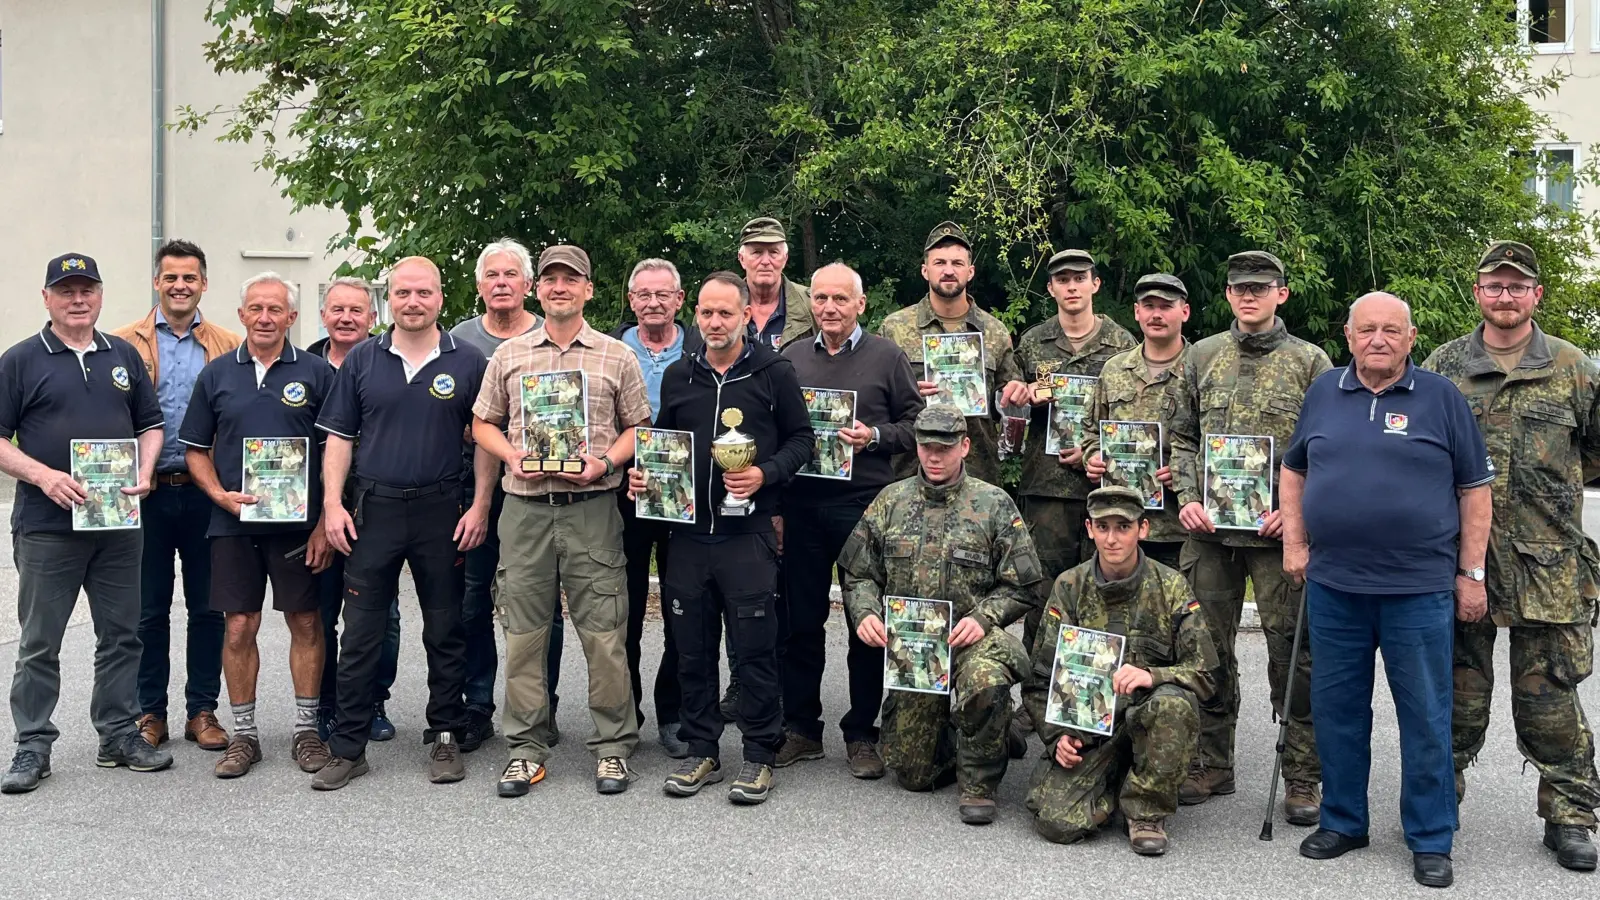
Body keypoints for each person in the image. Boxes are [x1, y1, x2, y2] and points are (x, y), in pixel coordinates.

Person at [1280, 292, 1493, 888]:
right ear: (1348, 336)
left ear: (1411, 336)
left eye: (1391, 330)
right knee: (1337, 710)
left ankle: (1430, 836)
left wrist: (1470, 574)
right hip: (1335, 586)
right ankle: (1344, 820)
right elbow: (1294, 470)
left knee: (1425, 714)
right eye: (1367, 329)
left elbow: (1475, 490)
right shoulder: (1324, 391)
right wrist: (1295, 545)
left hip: (1417, 589)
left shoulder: (1441, 398)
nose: (1379, 339)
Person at [1423, 240, 1600, 873]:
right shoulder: (1444, 367)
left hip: (1549, 568)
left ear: (1536, 295)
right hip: (1460, 562)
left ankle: (1572, 815)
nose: (1505, 296)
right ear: (1478, 293)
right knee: (1454, 696)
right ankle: (1437, 805)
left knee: (1549, 700)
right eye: (1494, 286)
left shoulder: (1576, 369)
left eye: (1516, 286)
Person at [471, 244, 651, 797]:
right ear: (538, 289)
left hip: (592, 508)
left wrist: (605, 461)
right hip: (524, 509)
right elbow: (482, 424)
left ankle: (613, 745)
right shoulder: (510, 354)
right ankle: (527, 746)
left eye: (570, 280)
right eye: (549, 279)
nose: (559, 287)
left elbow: (638, 428)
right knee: (524, 634)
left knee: (604, 633)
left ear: (588, 290)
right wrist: (511, 455)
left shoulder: (616, 355)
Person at [631, 271, 813, 805]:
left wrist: (766, 474)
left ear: (743, 317)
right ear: (698, 316)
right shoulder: (679, 376)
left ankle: (759, 755)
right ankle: (702, 750)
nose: (714, 322)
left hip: (747, 533)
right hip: (686, 537)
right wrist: (646, 476)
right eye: (706, 313)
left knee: (754, 650)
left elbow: (803, 439)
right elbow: (664, 444)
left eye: (725, 314)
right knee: (690, 649)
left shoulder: (773, 372)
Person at [311, 256, 492, 790]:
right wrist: (331, 505)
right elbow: (339, 439)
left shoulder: (468, 361)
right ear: (389, 299)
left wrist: (480, 504)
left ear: (441, 297)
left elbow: (483, 437)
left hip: (442, 511)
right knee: (362, 633)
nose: (413, 302)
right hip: (374, 511)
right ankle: (348, 745)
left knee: (445, 628)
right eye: (403, 292)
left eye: (424, 292)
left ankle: (444, 735)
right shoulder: (364, 360)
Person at [1, 253, 170, 793]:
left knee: (122, 635)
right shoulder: (21, 360)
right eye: (66, 290)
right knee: (39, 641)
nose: (78, 299)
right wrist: (43, 476)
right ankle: (32, 745)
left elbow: (151, 424)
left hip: (118, 524)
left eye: (87, 290)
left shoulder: (122, 355)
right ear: (47, 297)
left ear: (99, 295)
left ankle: (118, 734)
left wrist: (145, 469)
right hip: (48, 525)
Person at [1172, 251, 1330, 825]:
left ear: (1281, 294)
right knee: (1206, 651)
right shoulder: (1203, 355)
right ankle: (1212, 762)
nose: (1249, 296)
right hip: (1212, 536)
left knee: (1294, 656)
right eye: (1239, 287)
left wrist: (1300, 515)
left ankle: (1304, 776)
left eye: (1261, 288)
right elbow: (1183, 436)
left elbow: (1325, 450)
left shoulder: (1310, 362)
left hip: (1277, 537)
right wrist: (1188, 496)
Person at [838, 405, 1042, 825]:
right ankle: (990, 732)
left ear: (964, 447)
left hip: (971, 638)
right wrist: (864, 613)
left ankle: (979, 782)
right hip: (916, 647)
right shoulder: (890, 501)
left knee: (985, 683)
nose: (934, 457)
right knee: (913, 773)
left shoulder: (993, 504)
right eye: (927, 447)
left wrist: (984, 618)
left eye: (945, 449)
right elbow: (858, 572)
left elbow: (1024, 585)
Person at [179, 273, 341, 779]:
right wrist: (218, 495)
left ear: (292, 317)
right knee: (238, 625)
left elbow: (340, 449)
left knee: (308, 623)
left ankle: (307, 730)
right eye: (256, 309)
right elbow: (195, 450)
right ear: (242, 315)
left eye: (276, 309)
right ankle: (245, 736)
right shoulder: (217, 374)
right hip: (234, 523)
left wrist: (323, 522)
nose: (266, 317)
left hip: (299, 527)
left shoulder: (317, 373)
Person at [775, 262, 924, 778]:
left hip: (865, 508)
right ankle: (801, 728)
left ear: (861, 304)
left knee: (867, 623)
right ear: (810, 303)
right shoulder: (791, 357)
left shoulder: (886, 355)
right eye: (820, 299)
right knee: (800, 623)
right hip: (802, 507)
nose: (830, 308)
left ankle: (862, 732)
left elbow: (915, 425)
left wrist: (875, 437)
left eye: (840, 299)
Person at [1023, 486, 1216, 855]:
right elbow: (1039, 681)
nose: (1112, 538)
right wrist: (1055, 737)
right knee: (1057, 822)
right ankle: (1113, 780)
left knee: (1173, 704)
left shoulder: (1170, 585)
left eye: (1123, 527)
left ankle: (1146, 810)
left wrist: (1153, 677)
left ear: (1143, 529)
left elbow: (1205, 674)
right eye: (1103, 526)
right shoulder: (1068, 587)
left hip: (1150, 719)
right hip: (1092, 729)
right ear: (1089, 529)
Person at [113, 239, 240, 752]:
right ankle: (150, 713)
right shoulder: (122, 344)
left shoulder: (229, 345)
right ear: (157, 282)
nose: (180, 286)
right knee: (148, 610)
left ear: (204, 284)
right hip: (145, 494)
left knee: (209, 609)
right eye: (171, 277)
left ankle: (202, 711)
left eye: (190, 277)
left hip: (207, 494)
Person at [450, 239, 563, 754]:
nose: (501, 283)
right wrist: (471, 498)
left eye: (510, 275)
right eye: (491, 275)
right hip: (477, 494)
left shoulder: (552, 335)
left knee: (542, 605)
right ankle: (478, 705)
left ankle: (543, 706)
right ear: (479, 286)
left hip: (541, 490)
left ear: (527, 285)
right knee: (474, 601)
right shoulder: (457, 341)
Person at [612, 258, 705, 758]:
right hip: (620, 493)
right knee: (620, 608)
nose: (653, 303)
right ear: (631, 301)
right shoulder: (607, 348)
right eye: (643, 295)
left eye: (662, 295)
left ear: (679, 298)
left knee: (682, 606)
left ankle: (674, 712)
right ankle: (624, 713)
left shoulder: (704, 348)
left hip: (683, 495)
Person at [1002, 249, 1136, 588]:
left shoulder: (1122, 344)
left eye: (1079, 279)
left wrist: (1093, 451)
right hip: (1046, 490)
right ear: (1051, 289)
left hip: (1106, 485)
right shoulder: (1033, 343)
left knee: (1105, 587)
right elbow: (1009, 412)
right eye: (1063, 280)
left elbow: (1135, 417)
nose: (1072, 287)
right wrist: (1021, 394)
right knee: (1043, 592)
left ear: (1095, 284)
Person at [307, 278, 402, 742]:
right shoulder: (301, 367)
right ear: (322, 314)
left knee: (382, 614)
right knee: (323, 611)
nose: (346, 318)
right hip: (320, 512)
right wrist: (322, 512)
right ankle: (329, 704)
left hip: (380, 508)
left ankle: (373, 701)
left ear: (372, 317)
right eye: (337, 309)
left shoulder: (392, 361)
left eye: (357, 311)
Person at [879, 222, 1023, 487]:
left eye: (957, 263)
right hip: (910, 473)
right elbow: (876, 400)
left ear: (970, 272)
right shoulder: (895, 328)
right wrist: (907, 393)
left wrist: (1015, 394)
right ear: (925, 270)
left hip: (978, 474)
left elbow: (1010, 398)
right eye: (939, 263)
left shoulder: (995, 331)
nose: (948, 271)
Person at [1081, 274, 1198, 570]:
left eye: (1166, 306)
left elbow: (1217, 439)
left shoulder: (1202, 369)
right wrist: (1092, 456)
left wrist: (1187, 473)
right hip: (1118, 526)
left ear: (1184, 311)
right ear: (1137, 312)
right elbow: (1091, 430)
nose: (1156, 314)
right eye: (1148, 306)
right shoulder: (1115, 369)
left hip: (1177, 527)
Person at [735, 217, 815, 351]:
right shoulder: (719, 306)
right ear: (742, 259)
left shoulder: (812, 304)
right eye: (757, 252)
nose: (765, 261)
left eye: (773, 252)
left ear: (785, 259)